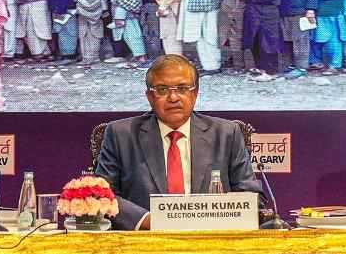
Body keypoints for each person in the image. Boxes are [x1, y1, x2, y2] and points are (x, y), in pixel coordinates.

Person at [93, 54, 262, 230]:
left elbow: (250, 195)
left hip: (211, 241)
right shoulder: (121, 135)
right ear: (150, 97)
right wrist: (149, 221)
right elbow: (102, 194)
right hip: (145, 242)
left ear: (195, 93)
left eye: (182, 88)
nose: (173, 98)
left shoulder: (226, 134)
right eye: (162, 90)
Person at [242, 0, 285, 80]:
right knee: (256, 41)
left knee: (267, 42)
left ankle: (271, 72)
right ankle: (261, 69)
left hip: (266, 14)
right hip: (256, 13)